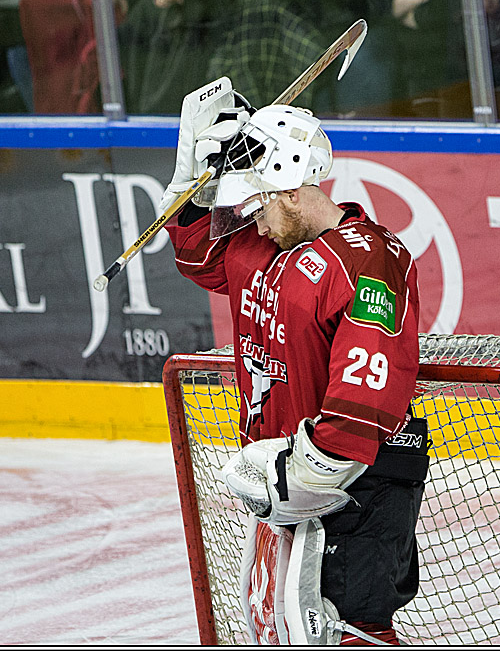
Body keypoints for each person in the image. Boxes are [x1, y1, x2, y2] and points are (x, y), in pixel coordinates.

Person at [163, 78, 427, 645]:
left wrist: (305, 472)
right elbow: (196, 254)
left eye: (256, 205)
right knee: (283, 631)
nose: (249, 223)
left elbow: (368, 383)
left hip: (360, 481)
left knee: (350, 633)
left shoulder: (368, 257)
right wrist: (192, 181)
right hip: (285, 480)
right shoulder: (261, 247)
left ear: (288, 189)